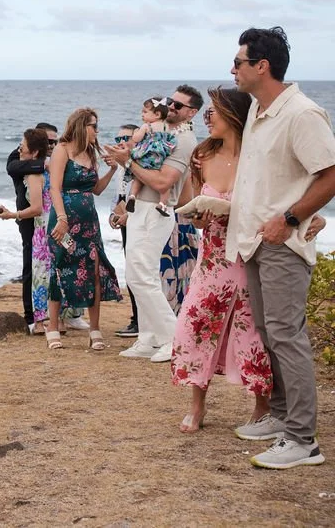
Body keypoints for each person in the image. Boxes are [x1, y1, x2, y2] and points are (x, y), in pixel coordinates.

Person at [227, 26, 335, 469]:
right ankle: (282, 415)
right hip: (254, 241)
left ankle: (303, 440)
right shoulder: (259, 107)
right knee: (270, 332)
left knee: (286, 335)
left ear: (261, 66)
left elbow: (330, 175)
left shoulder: (302, 114)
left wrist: (290, 219)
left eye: (238, 62)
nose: (232, 69)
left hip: (282, 242)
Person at [171, 86, 272, 433]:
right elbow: (194, 208)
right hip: (212, 258)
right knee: (195, 323)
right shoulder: (201, 155)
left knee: (250, 330)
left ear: (233, 114)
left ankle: (262, 406)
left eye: (212, 111)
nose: (206, 118)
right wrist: (199, 218)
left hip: (247, 256)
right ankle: (197, 405)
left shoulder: (256, 158)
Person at [106, 85, 202, 363]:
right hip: (140, 209)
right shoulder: (161, 133)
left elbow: (162, 182)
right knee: (135, 276)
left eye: (178, 105)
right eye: (170, 102)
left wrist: (128, 162)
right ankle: (148, 338)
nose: (171, 107)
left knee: (144, 276)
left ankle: (173, 339)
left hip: (156, 211)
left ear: (191, 113)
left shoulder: (184, 141)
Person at [45, 108, 121, 350]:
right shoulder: (62, 149)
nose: (97, 130)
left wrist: (113, 170)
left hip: (89, 223)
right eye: (93, 126)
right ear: (81, 126)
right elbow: (55, 188)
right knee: (60, 268)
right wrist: (62, 218)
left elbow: (96, 189)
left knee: (94, 270)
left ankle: (95, 329)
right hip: (64, 219)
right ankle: (53, 327)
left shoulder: (90, 152)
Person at [0, 128, 51, 334]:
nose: (20, 150)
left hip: (41, 223)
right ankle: (34, 316)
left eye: (23, 147)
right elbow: (12, 166)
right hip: (31, 223)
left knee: (42, 269)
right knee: (34, 268)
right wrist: (43, 163)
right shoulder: (19, 160)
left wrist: (12, 214)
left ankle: (46, 317)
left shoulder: (43, 169)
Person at [109, 123, 140, 338]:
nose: (120, 142)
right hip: (125, 223)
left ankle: (141, 320)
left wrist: (128, 216)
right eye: (117, 138)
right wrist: (113, 215)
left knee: (139, 272)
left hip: (138, 223)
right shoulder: (121, 167)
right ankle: (136, 318)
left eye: (125, 138)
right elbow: (118, 196)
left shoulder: (139, 164)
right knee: (131, 271)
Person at [125, 98, 176, 217]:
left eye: (145, 112)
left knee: (139, 178)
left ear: (157, 114)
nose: (142, 114)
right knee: (166, 185)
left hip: (146, 156)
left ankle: (132, 196)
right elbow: (172, 140)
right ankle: (162, 204)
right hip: (160, 158)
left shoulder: (147, 126)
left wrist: (136, 133)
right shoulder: (166, 126)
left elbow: (136, 139)